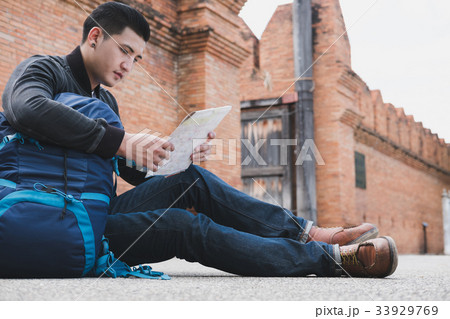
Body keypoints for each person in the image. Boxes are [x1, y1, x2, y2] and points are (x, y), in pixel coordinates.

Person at [1, 2, 397, 278]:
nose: (129, 66)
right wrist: (122, 142)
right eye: (124, 51)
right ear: (93, 37)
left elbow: (126, 170)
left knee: (191, 180)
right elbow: (26, 109)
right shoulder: (44, 71)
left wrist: (173, 156)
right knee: (186, 228)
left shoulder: (105, 99)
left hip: (95, 213)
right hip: (44, 218)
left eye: (137, 59)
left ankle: (304, 231)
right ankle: (330, 259)